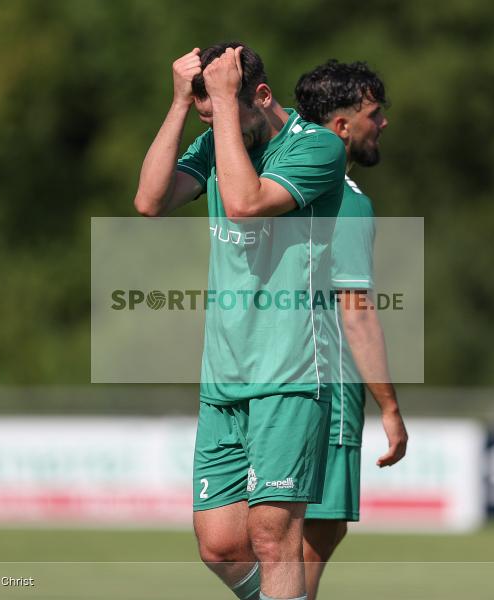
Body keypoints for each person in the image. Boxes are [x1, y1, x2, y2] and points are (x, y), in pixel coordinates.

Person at [134, 43, 346, 600]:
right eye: (208, 115)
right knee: (220, 544)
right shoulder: (216, 139)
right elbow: (149, 201)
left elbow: (245, 203)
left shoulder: (318, 147)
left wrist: (223, 107)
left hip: (290, 369)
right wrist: (183, 105)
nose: (216, 123)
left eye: (225, 108)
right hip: (225, 373)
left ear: (261, 95)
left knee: (273, 537)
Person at [294, 60, 409, 600]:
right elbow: (356, 311)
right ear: (341, 127)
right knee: (314, 535)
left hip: (258, 374)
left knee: (276, 535)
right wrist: (389, 408)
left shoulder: (274, 183)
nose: (382, 123)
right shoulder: (348, 201)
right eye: (373, 113)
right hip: (327, 385)